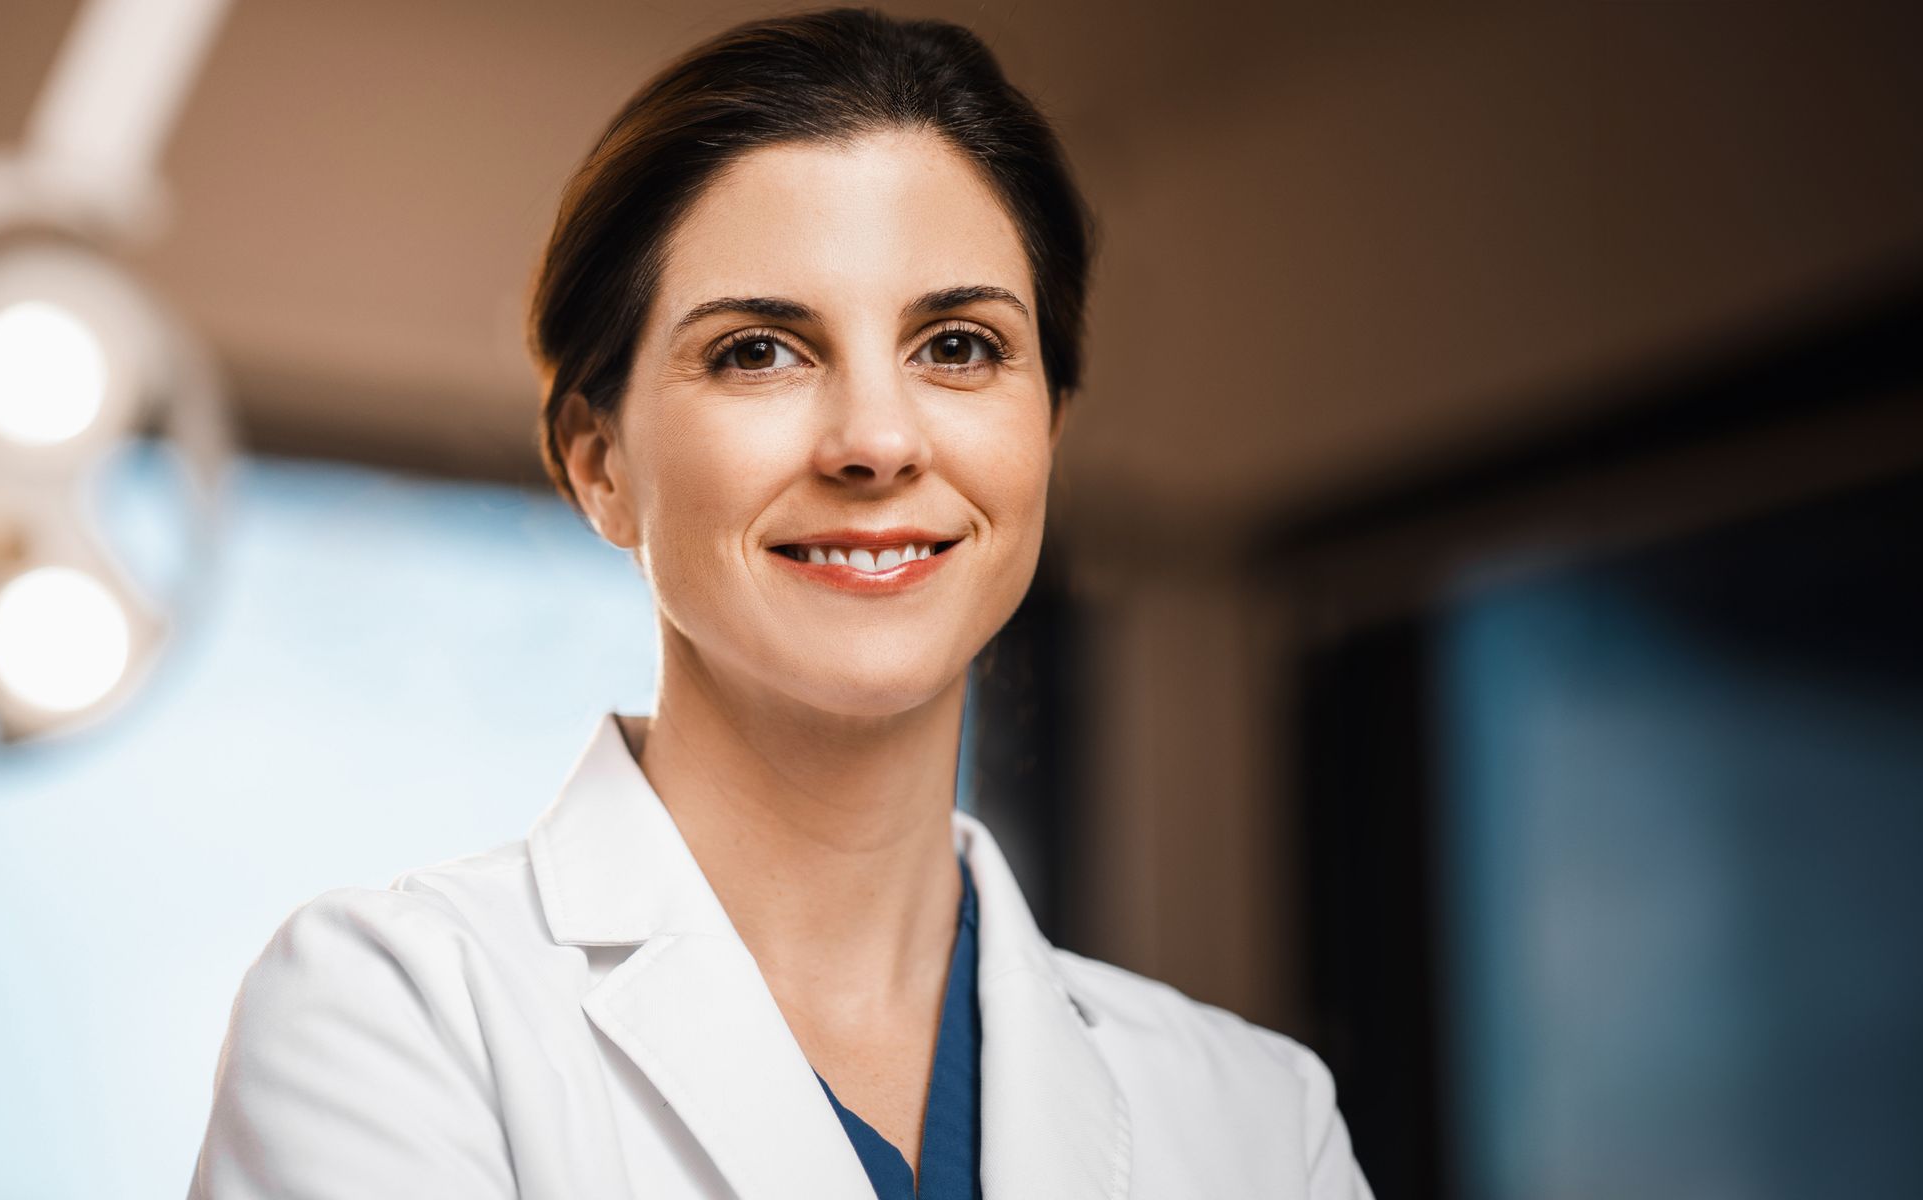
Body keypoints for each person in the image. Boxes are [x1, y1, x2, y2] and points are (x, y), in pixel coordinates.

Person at [188, 8, 1373, 1198]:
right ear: (599, 464)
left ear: (1047, 430)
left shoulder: (1257, 1119)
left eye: (958, 346)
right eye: (759, 351)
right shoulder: (393, 1020)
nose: (876, 439)